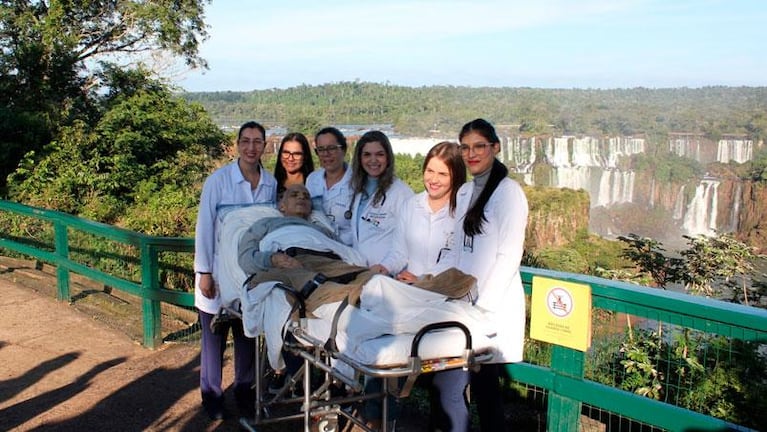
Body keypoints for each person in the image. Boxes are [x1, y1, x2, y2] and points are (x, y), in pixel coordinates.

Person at [436, 118, 529, 431]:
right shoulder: (464, 192)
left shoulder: (508, 193)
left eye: (479, 146)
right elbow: (454, 248)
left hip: (492, 308)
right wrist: (437, 285)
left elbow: (509, 256)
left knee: (488, 394)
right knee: (460, 386)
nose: (471, 154)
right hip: (463, 303)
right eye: (465, 147)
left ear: (495, 148)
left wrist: (483, 308)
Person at [380, 141, 470, 431]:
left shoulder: (465, 211)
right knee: (395, 378)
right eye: (429, 171)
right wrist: (383, 269)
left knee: (449, 388)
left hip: (448, 304)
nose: (433, 179)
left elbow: (461, 264)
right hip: (411, 301)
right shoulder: (412, 205)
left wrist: (422, 280)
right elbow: (398, 253)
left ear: (455, 176)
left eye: (442, 174)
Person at [193, 120, 277, 420]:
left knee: (247, 336)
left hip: (250, 278)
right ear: (237, 144)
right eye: (246, 141)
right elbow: (204, 227)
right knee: (213, 339)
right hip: (216, 273)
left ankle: (244, 391)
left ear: (265, 146)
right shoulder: (218, 181)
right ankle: (212, 397)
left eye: (258, 142)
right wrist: (204, 272)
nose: (252, 147)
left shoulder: (270, 184)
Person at [349, 130, 414, 269]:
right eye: (367, 155)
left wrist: (387, 267)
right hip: (360, 271)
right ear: (359, 159)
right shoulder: (357, 189)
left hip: (387, 273)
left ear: (388, 158)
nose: (373, 160)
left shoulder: (401, 193)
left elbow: (409, 242)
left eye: (379, 154)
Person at [306, 127, 354, 246]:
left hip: (349, 249)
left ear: (343, 149)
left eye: (332, 148)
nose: (326, 154)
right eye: (321, 149)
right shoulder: (312, 180)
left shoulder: (358, 182)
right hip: (317, 246)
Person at [274, 132, 314, 198]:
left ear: (305, 156)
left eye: (297, 154)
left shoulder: (314, 186)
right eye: (286, 153)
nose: (290, 158)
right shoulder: (272, 185)